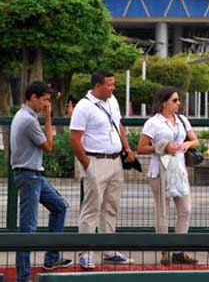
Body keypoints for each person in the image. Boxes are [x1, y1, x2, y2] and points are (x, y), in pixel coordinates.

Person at [69, 70, 136, 269]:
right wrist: (87, 166)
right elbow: (74, 138)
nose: (112, 88)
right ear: (97, 85)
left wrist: (126, 148)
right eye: (109, 84)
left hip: (115, 161)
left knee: (110, 206)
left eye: (113, 84)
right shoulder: (84, 106)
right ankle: (85, 252)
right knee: (92, 208)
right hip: (96, 160)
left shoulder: (112, 101)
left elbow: (119, 124)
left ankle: (109, 249)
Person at [10, 81, 71, 282]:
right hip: (29, 176)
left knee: (59, 207)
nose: (47, 104)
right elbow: (49, 146)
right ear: (33, 98)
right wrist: (48, 118)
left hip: (34, 174)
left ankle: (51, 258)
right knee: (28, 229)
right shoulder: (29, 120)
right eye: (44, 100)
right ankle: (23, 277)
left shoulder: (24, 116)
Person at [137, 86, 200, 265]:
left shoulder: (182, 120)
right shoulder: (153, 123)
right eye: (174, 100)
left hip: (178, 169)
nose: (178, 103)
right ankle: (164, 249)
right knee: (162, 211)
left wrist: (187, 145)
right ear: (164, 102)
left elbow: (195, 140)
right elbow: (141, 148)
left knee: (185, 210)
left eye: (178, 100)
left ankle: (179, 250)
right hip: (160, 171)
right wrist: (163, 146)